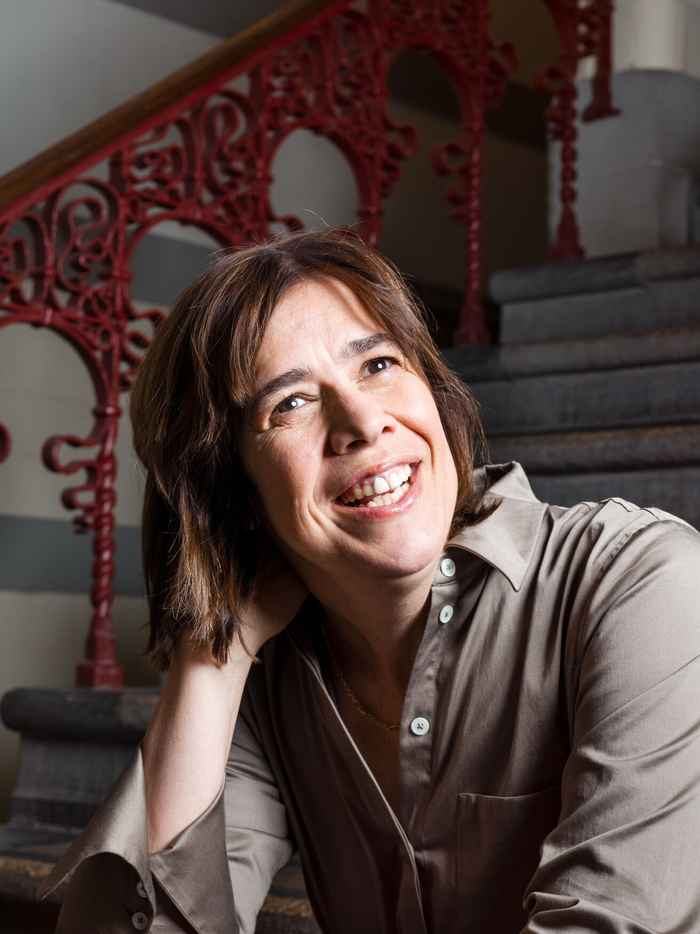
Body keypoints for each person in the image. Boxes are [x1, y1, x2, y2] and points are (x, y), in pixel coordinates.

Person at [40, 229, 700, 933]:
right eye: (290, 404)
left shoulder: (635, 581)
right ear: (230, 489)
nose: (361, 421)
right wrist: (213, 659)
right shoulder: (268, 677)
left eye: (379, 364)